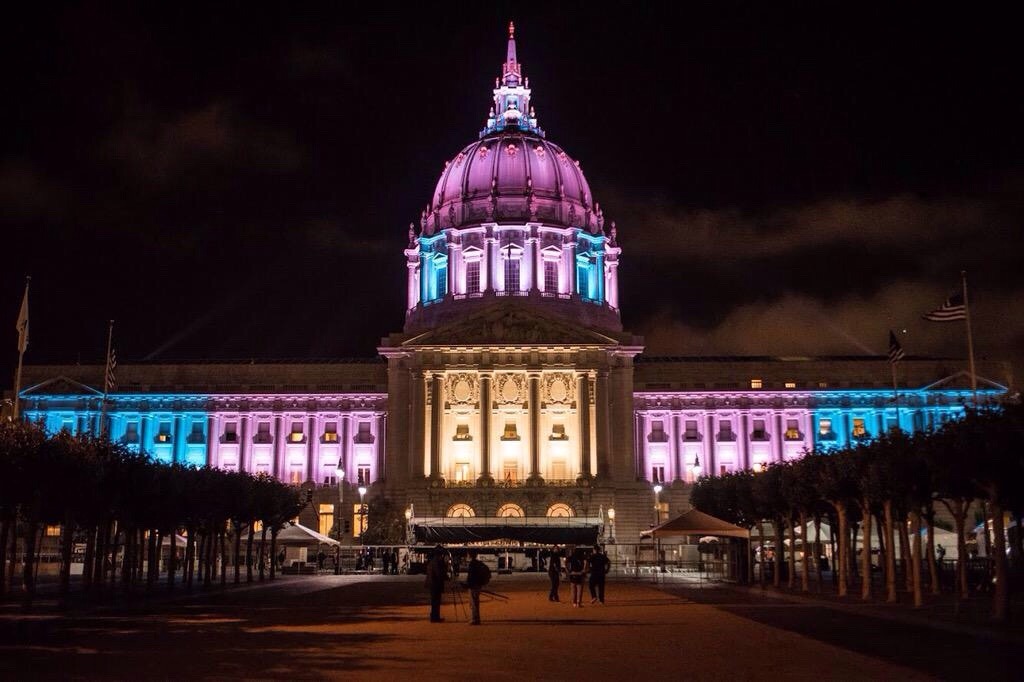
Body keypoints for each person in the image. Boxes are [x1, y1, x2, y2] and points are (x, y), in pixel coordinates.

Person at [465, 550, 490, 625]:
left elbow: (471, 577)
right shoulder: (478, 563)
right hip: (478, 585)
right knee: (475, 602)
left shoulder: (472, 564)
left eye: (467, 555)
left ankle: (475, 619)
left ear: (470, 555)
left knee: (473, 603)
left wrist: (467, 584)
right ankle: (476, 618)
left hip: (473, 586)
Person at [425, 545, 449, 622]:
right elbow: (439, 574)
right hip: (435, 584)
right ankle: (435, 617)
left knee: (435, 601)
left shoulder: (433, 561)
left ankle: (435, 616)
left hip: (433, 584)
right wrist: (445, 566)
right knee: (436, 601)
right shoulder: (436, 562)